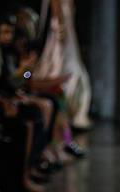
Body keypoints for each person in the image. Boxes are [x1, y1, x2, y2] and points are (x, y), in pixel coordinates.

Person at [34, 0, 92, 130]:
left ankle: (66, 140)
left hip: (67, 30)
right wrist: (60, 27)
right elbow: (26, 79)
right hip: (61, 32)